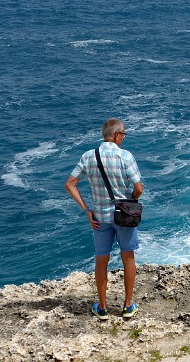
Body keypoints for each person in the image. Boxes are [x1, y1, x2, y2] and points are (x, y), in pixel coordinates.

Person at [64, 118, 144, 321]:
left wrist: (86, 210)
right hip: (124, 216)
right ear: (116, 135)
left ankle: (102, 308)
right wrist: (131, 200)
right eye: (123, 134)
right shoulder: (125, 156)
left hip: (99, 217)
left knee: (101, 261)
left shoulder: (89, 156)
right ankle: (127, 306)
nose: (124, 138)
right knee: (128, 258)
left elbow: (70, 184)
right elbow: (139, 189)